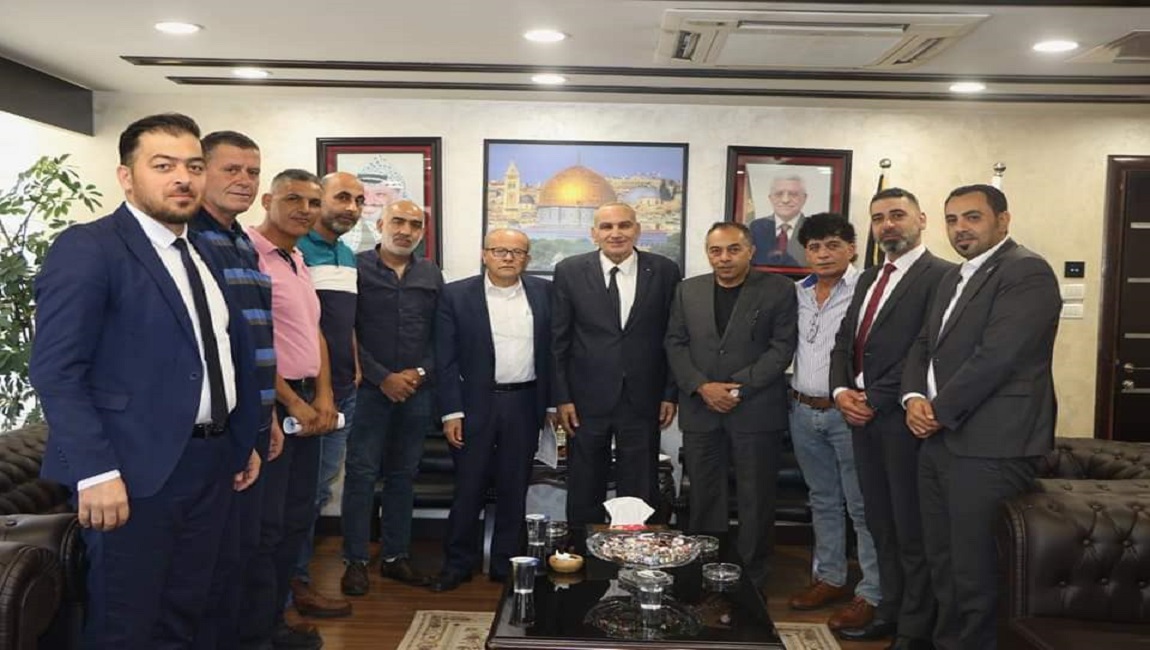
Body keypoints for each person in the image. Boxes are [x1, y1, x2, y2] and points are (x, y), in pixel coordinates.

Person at [29, 112, 262, 648]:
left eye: (193, 166)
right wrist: (95, 471)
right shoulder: (90, 248)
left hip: (211, 463)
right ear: (126, 176)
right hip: (132, 471)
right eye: (163, 166)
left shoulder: (201, 252)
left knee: (192, 613)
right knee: (126, 624)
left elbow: (222, 352)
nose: (183, 178)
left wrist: (239, 436)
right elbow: (57, 370)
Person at [901, 184, 1060, 650]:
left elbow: (998, 356)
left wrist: (938, 411)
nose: (960, 229)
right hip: (938, 440)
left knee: (976, 570)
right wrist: (913, 397)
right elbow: (924, 344)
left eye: (972, 217)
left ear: (1003, 220)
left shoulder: (1026, 271)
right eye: (952, 220)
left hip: (992, 444)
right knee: (943, 561)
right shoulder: (954, 276)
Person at [829, 188, 954, 649]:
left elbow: (928, 350)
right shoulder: (868, 278)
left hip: (904, 420)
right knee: (880, 525)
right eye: (879, 217)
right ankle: (889, 611)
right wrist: (841, 391)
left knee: (910, 531)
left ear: (921, 219)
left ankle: (915, 630)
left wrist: (875, 398)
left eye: (897, 215)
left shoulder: (943, 276)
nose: (887, 225)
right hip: (862, 420)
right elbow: (844, 341)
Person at [664, 221, 796, 588]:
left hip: (755, 410)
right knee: (704, 494)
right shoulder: (687, 290)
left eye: (733, 249)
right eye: (716, 250)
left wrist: (739, 389)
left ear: (751, 251)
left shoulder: (779, 290)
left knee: (756, 497)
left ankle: (752, 577)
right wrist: (701, 386)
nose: (724, 258)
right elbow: (674, 343)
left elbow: (782, 348)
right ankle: (705, 569)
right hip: (701, 408)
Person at [188, 130, 281, 649]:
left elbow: (254, 337)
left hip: (253, 419)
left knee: (248, 548)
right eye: (232, 169)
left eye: (252, 171)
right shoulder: (189, 240)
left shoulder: (241, 239)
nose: (244, 180)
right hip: (216, 429)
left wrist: (267, 416)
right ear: (200, 171)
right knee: (214, 560)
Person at [244, 169, 340, 650]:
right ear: (267, 200)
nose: (305, 210)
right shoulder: (248, 254)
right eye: (294, 199)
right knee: (267, 524)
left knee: (297, 517)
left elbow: (313, 331)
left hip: (307, 400)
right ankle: (258, 629)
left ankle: (277, 618)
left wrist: (323, 394)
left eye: (313, 202)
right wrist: (294, 401)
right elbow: (250, 342)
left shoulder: (297, 258)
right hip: (273, 405)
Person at [430, 228, 553, 590]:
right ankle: (458, 565)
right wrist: (451, 412)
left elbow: (553, 353)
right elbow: (445, 358)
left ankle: (505, 564)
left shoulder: (545, 293)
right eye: (499, 250)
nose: (508, 257)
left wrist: (550, 405)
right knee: (469, 487)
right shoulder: (456, 295)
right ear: (484, 254)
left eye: (517, 252)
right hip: (474, 404)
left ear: (527, 259)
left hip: (525, 402)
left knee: (515, 487)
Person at [552, 202, 680, 527]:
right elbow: (559, 340)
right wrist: (562, 397)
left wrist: (670, 393)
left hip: (643, 398)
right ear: (593, 233)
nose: (616, 233)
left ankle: (634, 553)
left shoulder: (665, 271)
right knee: (584, 485)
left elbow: (674, 337)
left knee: (639, 487)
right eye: (606, 227)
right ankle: (584, 549)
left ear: (637, 229)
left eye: (624, 225)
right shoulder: (569, 270)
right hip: (585, 400)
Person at [785, 213, 883, 635]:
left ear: (852, 248)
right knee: (823, 499)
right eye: (814, 247)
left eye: (832, 245)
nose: (823, 254)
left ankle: (872, 592)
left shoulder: (869, 290)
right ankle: (829, 577)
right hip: (802, 411)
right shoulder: (797, 293)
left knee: (862, 505)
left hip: (850, 414)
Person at [341, 199, 444, 594]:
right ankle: (355, 561)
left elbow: (441, 333)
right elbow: (346, 330)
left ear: (422, 232)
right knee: (362, 474)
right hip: (368, 391)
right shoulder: (355, 267)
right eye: (398, 221)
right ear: (381, 224)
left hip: (417, 392)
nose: (405, 230)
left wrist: (419, 373)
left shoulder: (431, 273)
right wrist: (382, 377)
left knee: (404, 475)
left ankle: (395, 556)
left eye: (414, 225)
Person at [290, 172, 364, 617]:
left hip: (342, 390)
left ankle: (296, 579)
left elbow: (341, 321)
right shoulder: (296, 249)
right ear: (319, 200)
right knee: (301, 493)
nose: (351, 207)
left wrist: (353, 364)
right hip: (309, 394)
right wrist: (320, 391)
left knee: (316, 492)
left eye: (359, 200)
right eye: (342, 197)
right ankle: (292, 586)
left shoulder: (347, 254)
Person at [749, 174, 809, 267]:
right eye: (779, 194)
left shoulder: (813, 228)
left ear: (804, 198)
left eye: (793, 194)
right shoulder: (755, 228)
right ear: (770, 198)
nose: (785, 200)